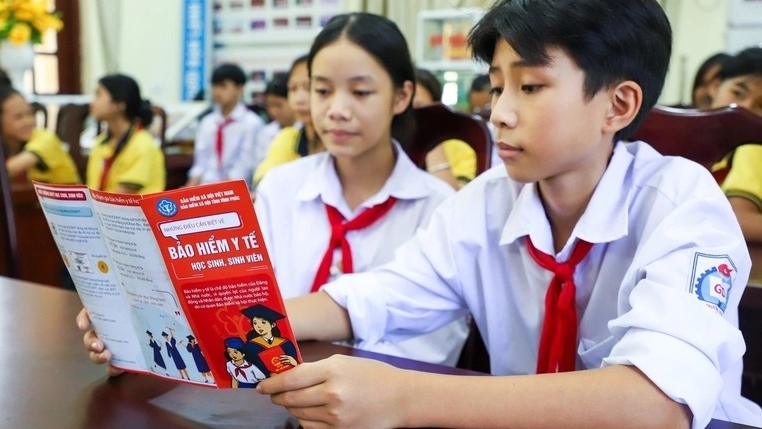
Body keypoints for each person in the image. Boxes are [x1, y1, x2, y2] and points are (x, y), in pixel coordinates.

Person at [251, 2, 760, 428]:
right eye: (497, 87)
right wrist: (243, 325)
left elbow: (657, 405)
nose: (499, 114)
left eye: (530, 87)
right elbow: (380, 296)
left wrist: (403, 397)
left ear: (618, 105)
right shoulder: (486, 202)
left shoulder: (683, 205)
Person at [254, 13, 467, 366]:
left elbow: (433, 347)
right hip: (275, 381)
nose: (337, 111)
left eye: (360, 92)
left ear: (401, 96)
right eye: (323, 91)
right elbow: (254, 305)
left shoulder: (437, 207)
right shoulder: (280, 188)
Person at [707, 47, 762, 242]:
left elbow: (737, 219)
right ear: (715, 86)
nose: (746, 108)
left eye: (761, 105)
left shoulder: (752, 147)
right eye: (738, 93)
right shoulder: (676, 138)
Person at [185, 63, 264, 188]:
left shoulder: (252, 123)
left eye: (223, 86)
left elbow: (245, 164)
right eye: (214, 86)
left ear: (239, 89)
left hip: (236, 188)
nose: (217, 92)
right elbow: (200, 163)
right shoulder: (207, 122)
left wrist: (221, 190)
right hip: (206, 187)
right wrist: (189, 188)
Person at [86, 74, 165, 194]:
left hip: (128, 207)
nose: (92, 103)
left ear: (119, 104)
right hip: (101, 205)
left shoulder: (142, 145)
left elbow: (121, 197)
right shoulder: (100, 142)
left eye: (98, 95)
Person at [252, 55, 323, 186]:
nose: (299, 99)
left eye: (309, 88)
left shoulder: (342, 144)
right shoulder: (287, 138)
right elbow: (264, 182)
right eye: (293, 88)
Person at [1, 85, 80, 184]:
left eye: (30, 113)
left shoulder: (46, 139)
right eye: (18, 117)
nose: (28, 121)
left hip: (67, 193)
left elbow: (7, 170)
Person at [413, 68, 477, 189]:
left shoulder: (460, 146)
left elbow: (457, 197)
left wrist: (431, 138)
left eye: (417, 107)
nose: (407, 116)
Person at [252, 74, 296, 179]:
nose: (273, 111)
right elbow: (259, 165)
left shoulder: (304, 131)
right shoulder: (265, 132)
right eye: (269, 105)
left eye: (278, 105)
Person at [240, 304, 299, 377]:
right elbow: (252, 366)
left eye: (263, 322)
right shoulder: (251, 346)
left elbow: (297, 364)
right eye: (255, 323)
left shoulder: (286, 343)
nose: (258, 326)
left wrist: (294, 362)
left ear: (273, 325)